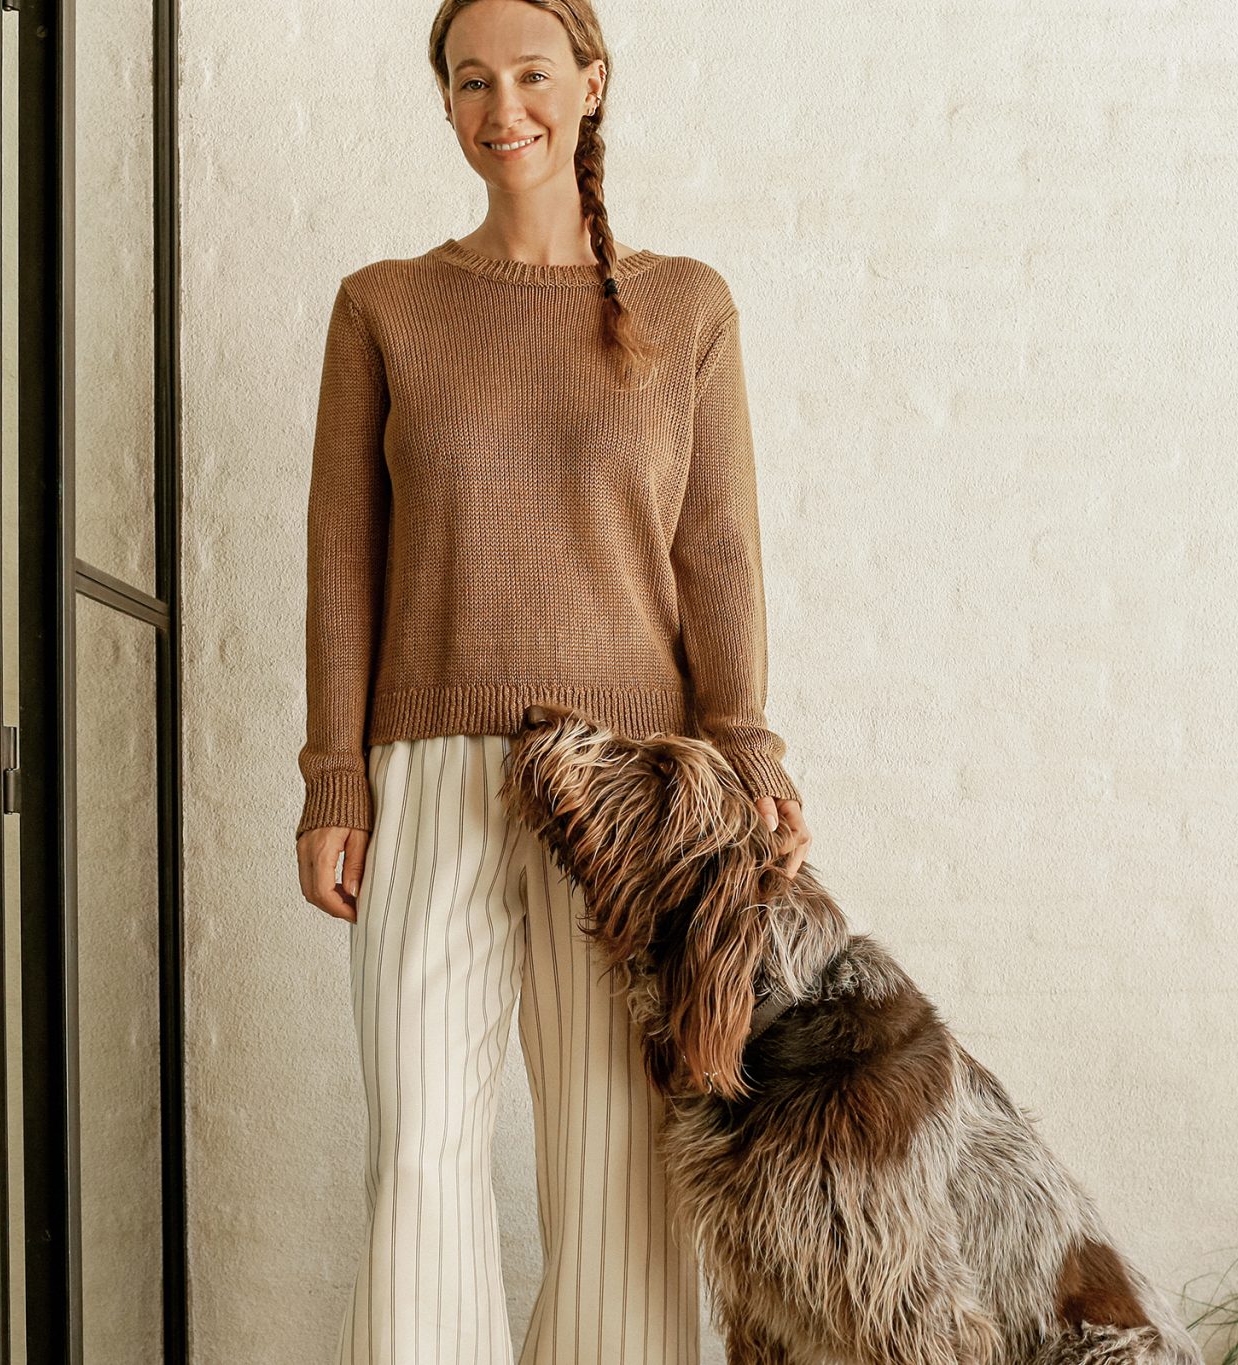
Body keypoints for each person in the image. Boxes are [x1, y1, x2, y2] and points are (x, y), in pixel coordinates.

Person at [292, 2, 811, 1360]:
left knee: (617, 1178)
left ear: (591, 85)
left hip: (628, 797)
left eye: (529, 73)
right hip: (429, 777)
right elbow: (344, 562)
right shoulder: (385, 307)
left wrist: (747, 758)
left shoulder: (686, 306)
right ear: (448, 102)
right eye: (471, 80)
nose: (500, 105)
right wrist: (332, 779)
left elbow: (721, 554)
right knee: (418, 1149)